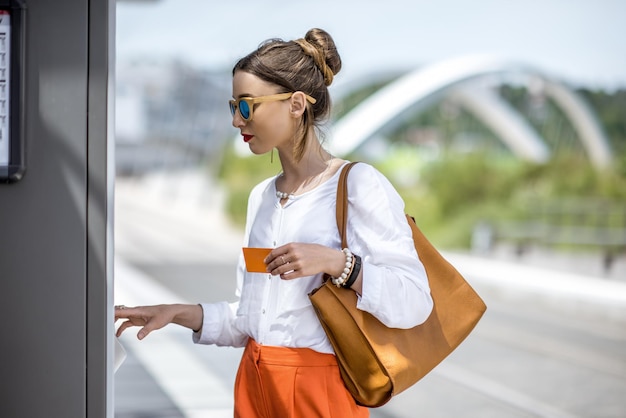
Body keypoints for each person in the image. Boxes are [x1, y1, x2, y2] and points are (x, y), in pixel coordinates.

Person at [115, 28, 434, 418]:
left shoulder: (358, 186)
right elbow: (250, 321)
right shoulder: (262, 198)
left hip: (318, 393)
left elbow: (415, 302)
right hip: (253, 384)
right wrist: (176, 313)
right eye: (232, 106)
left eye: (247, 106)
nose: (236, 120)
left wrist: (338, 263)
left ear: (296, 104)